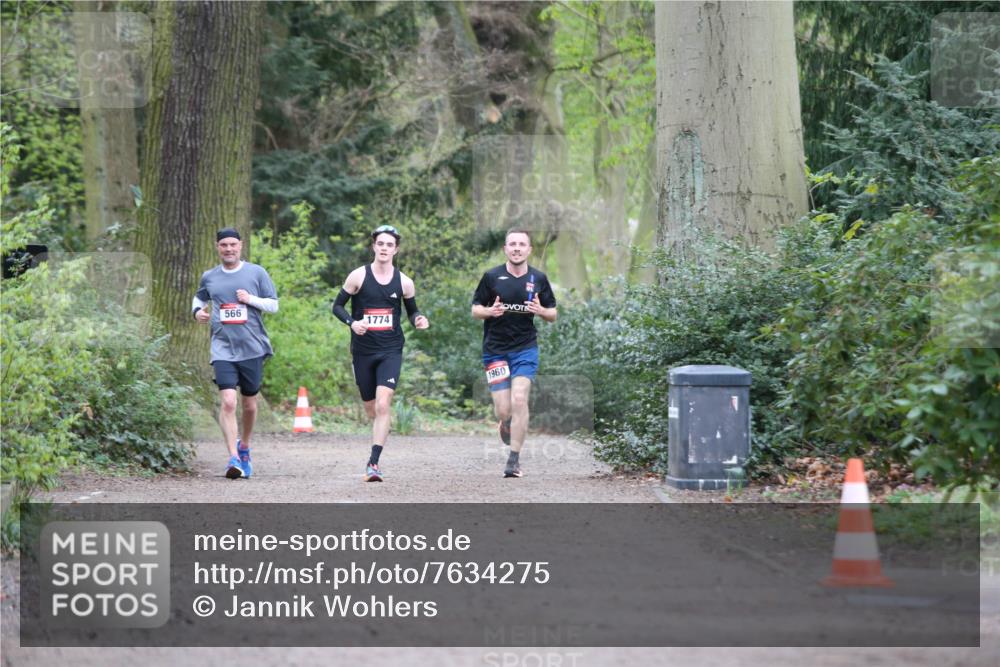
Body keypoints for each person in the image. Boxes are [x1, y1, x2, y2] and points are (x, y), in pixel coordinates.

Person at [332, 225, 429, 482]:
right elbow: (337, 306)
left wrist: (419, 319)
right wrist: (352, 323)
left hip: (390, 350)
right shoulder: (358, 276)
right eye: (381, 244)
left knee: (384, 403)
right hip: (363, 351)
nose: (384, 248)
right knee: (372, 408)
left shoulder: (405, 282)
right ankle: (381, 428)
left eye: (389, 245)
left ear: (395, 250)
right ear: (374, 246)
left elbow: (412, 311)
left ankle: (373, 463)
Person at [192, 227, 278, 480]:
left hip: (252, 347)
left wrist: (251, 299)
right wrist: (197, 312)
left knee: (249, 405)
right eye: (223, 245)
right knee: (229, 401)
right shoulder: (210, 277)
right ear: (217, 247)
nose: (228, 249)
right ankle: (233, 457)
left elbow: (273, 304)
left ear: (240, 245)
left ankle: (245, 446)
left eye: (233, 244)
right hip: (222, 348)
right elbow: (198, 299)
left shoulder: (256, 272)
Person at [471, 229, 557, 478]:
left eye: (522, 244)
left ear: (529, 249)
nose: (517, 248)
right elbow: (476, 309)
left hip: (525, 349)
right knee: (503, 409)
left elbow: (553, 314)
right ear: (505, 249)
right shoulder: (492, 277)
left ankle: (514, 460)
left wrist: (541, 310)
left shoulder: (538, 278)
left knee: (520, 398)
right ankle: (506, 422)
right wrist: (490, 312)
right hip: (495, 350)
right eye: (512, 244)